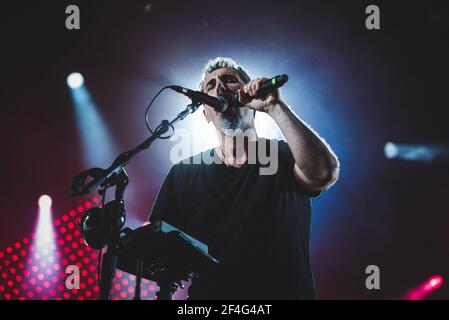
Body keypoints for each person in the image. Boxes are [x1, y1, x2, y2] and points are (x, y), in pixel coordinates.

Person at [149, 57, 339, 299]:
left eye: (229, 80)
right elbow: (160, 251)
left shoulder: (283, 154)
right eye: (210, 86)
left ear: (249, 96)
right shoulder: (184, 173)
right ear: (206, 112)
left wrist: (274, 107)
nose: (219, 88)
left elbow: (324, 173)